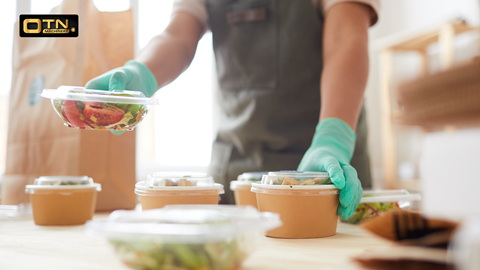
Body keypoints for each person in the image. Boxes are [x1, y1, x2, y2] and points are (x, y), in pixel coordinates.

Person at [85, 0, 380, 219]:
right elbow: (179, 35)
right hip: (236, 174)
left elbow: (347, 37)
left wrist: (333, 138)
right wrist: (140, 73)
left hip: (327, 174)